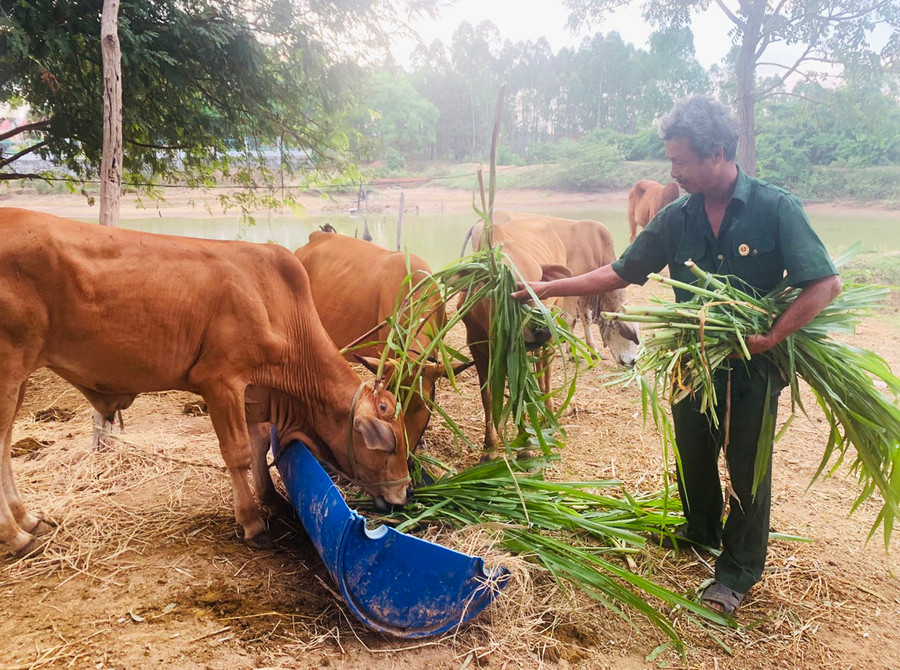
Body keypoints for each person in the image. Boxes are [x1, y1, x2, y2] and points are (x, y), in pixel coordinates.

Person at [512, 95, 841, 616]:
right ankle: (701, 530)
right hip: (693, 361)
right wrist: (551, 289)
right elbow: (621, 272)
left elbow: (824, 284)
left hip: (751, 362)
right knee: (693, 449)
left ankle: (736, 572)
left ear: (715, 154)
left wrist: (772, 337)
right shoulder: (675, 217)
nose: (673, 172)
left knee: (746, 464)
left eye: (681, 161)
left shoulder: (774, 207)